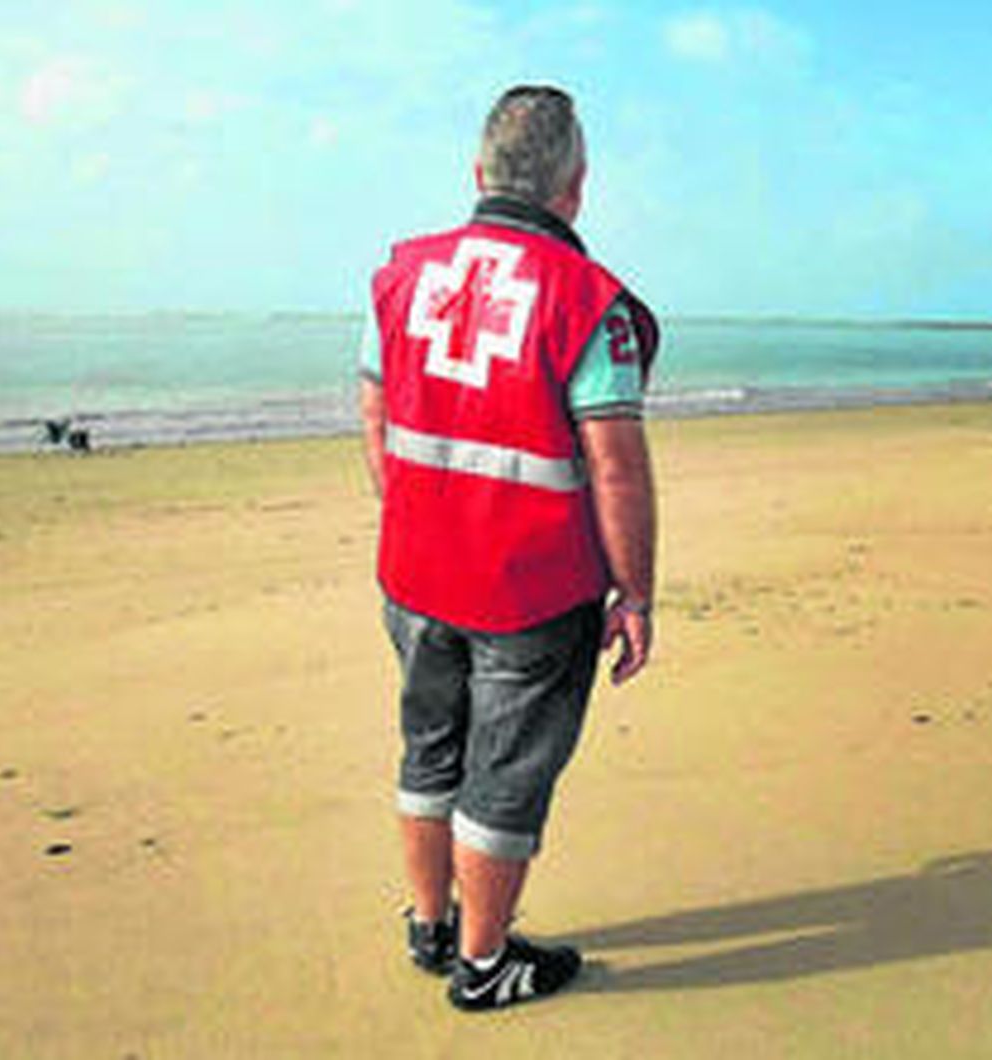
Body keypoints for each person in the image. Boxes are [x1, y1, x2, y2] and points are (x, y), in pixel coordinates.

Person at [358, 84, 659, 1012]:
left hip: (412, 576)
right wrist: (635, 592)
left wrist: (412, 515)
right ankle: (485, 966)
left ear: (479, 174)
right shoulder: (588, 301)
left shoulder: (401, 277)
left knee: (429, 748)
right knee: (507, 775)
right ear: (576, 187)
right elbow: (616, 467)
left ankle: (431, 924)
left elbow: (374, 413)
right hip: (532, 592)